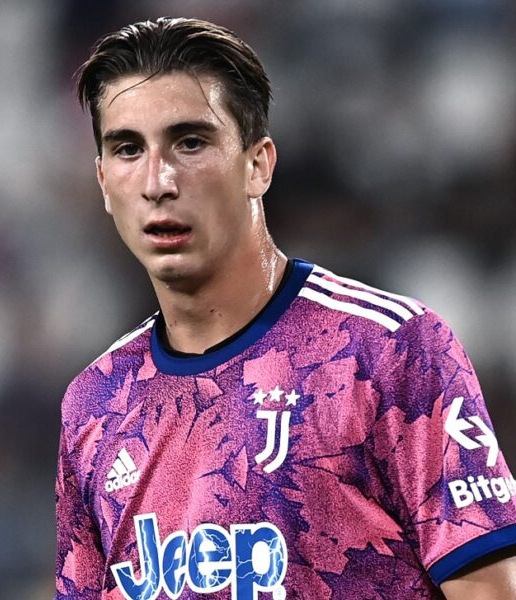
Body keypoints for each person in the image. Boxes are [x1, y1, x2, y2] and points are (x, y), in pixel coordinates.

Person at [55, 17, 516, 599]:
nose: (158, 181)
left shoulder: (388, 350)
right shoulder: (94, 406)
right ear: (103, 180)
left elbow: (491, 591)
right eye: (128, 149)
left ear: (259, 164)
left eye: (190, 142)